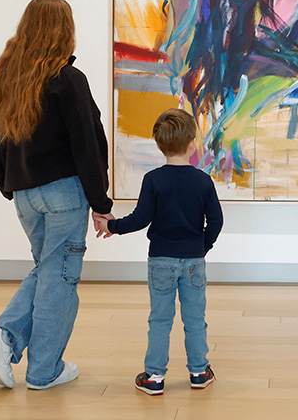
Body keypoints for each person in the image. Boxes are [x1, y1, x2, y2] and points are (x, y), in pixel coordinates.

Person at [0, 0, 112, 390]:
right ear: (65, 30)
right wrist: (100, 203)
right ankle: (37, 366)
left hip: (25, 195)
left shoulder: (7, 78)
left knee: (48, 270)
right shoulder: (68, 80)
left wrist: (8, 183)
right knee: (60, 277)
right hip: (64, 193)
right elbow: (87, 145)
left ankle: (6, 342)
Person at [94, 108, 223, 396]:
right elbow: (216, 221)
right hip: (193, 262)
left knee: (160, 320)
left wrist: (112, 226)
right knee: (194, 319)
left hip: (161, 261)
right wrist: (202, 246)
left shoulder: (153, 180)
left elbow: (140, 219)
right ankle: (199, 372)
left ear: (160, 144)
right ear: (192, 143)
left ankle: (154, 376)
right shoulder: (203, 181)